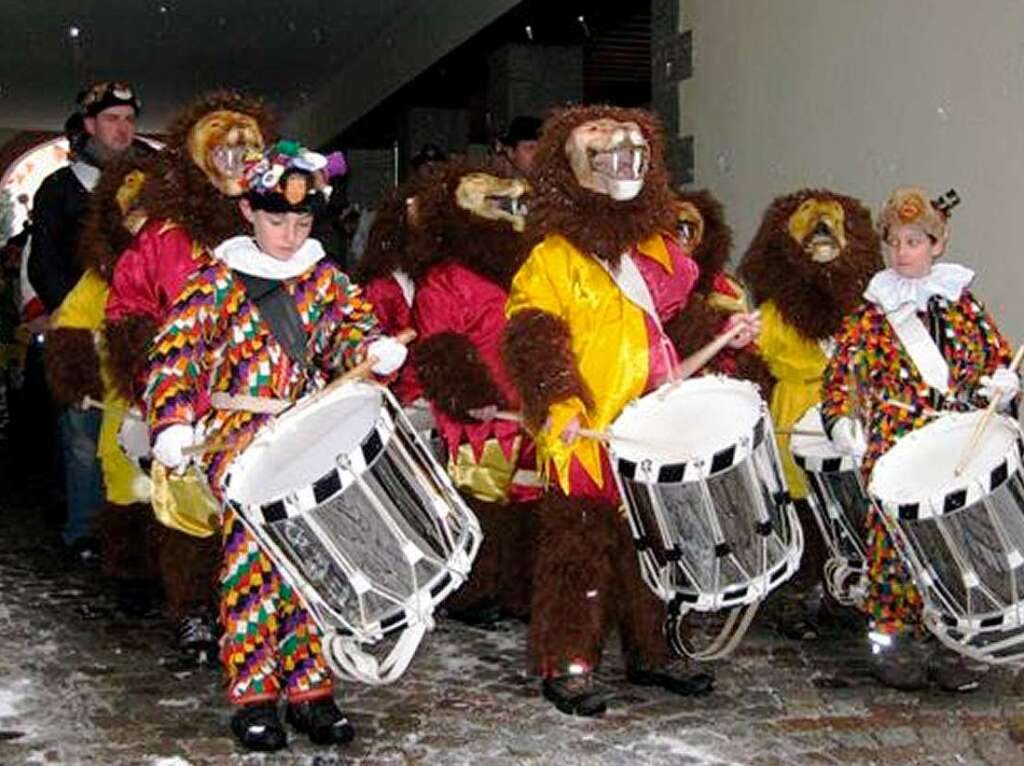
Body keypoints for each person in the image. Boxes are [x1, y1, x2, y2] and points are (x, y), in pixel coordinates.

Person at [144, 141, 407, 752]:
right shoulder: (213, 281)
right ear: (248, 215)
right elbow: (173, 358)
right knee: (252, 571)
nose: (290, 234)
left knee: (315, 566)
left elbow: (351, 335)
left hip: (310, 435)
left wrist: (373, 353)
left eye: (302, 221)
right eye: (276, 220)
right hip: (244, 443)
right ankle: (256, 694)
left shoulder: (325, 278)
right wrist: (172, 421)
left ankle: (311, 689)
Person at [502, 105, 758, 716]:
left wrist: (727, 333)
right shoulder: (552, 260)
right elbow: (533, 334)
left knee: (655, 544)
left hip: (654, 430)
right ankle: (567, 661)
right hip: (588, 433)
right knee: (578, 553)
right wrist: (560, 397)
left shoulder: (661, 252)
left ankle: (651, 650)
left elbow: (678, 321)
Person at [822, 186, 1018, 691]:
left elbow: (994, 359)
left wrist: (1002, 383)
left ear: (937, 244)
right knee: (894, 550)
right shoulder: (871, 316)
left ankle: (951, 639)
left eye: (915, 241)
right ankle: (894, 642)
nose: (903, 252)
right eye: (896, 242)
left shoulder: (963, 306)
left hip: (955, 441)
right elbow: (842, 380)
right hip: (897, 445)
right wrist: (843, 423)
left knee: (957, 545)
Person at [104, 90, 272, 661]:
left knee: (253, 513)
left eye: (247, 143)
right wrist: (149, 382)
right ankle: (193, 611)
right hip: (189, 403)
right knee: (188, 516)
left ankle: (249, 610)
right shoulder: (164, 235)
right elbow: (128, 308)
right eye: (221, 142)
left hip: (257, 402)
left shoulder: (272, 228)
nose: (236, 151)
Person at [30, 82, 146, 559]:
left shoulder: (147, 185)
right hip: (80, 327)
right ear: (90, 125)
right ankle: (84, 531)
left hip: (134, 326)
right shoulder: (59, 188)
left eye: (128, 119)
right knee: (81, 434)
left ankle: (133, 535)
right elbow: (45, 260)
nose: (122, 129)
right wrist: (64, 310)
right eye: (112, 119)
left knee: (135, 432)